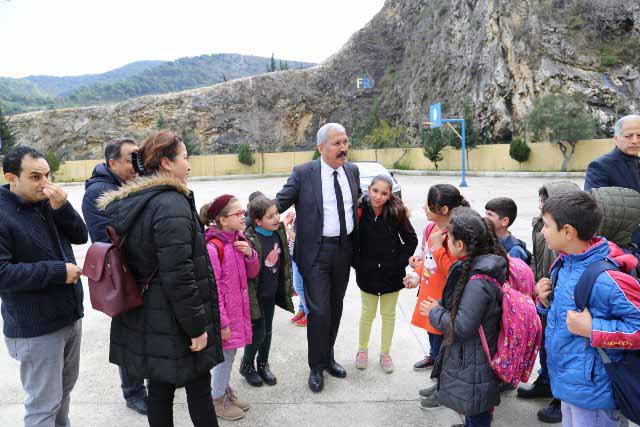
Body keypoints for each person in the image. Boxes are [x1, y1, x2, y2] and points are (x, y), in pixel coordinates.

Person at [99, 131, 223, 427]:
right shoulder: (170, 204)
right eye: (185, 158)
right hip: (174, 318)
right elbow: (179, 275)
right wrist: (196, 328)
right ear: (166, 163)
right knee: (199, 390)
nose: (188, 165)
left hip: (151, 315)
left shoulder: (137, 200)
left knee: (159, 389)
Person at [536, 191, 640, 427]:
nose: (542, 232)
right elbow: (565, 315)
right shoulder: (564, 263)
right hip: (568, 382)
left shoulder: (606, 279)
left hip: (595, 392)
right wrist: (544, 303)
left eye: (546, 225)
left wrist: (592, 329)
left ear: (568, 232)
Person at [0, 146, 88, 427]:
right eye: (36, 177)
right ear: (12, 178)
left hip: (68, 317)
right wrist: (58, 272)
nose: (45, 183)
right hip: (35, 327)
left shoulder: (46, 201)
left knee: (62, 396)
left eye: (48, 175)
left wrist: (63, 207)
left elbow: (80, 235)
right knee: (43, 407)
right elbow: (3, 274)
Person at [276, 123, 361, 393]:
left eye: (345, 142)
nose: (343, 148)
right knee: (320, 311)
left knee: (335, 307)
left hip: (344, 251)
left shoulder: (352, 171)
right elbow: (279, 202)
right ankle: (315, 366)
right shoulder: (304, 173)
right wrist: (247, 219)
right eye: (337, 143)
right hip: (315, 253)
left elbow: (358, 205)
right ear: (321, 148)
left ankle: (328, 358)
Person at [81, 137, 148, 415]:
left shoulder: (129, 183)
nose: (137, 163)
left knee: (146, 331)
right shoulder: (98, 192)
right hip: (121, 275)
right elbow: (108, 237)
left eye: (138, 157)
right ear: (112, 163)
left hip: (139, 270)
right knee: (129, 335)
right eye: (131, 158)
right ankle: (133, 392)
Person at [420, 207, 506, 426]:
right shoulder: (475, 268)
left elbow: (462, 326)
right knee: (472, 403)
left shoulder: (478, 282)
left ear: (459, 245)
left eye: (448, 238)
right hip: (472, 354)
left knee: (476, 405)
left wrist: (434, 312)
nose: (446, 242)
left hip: (475, 357)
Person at [518, 181, 580, 424]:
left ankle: (560, 400)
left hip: (560, 298)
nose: (541, 205)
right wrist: (536, 283)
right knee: (545, 345)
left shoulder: (571, 232)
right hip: (543, 294)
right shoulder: (540, 225)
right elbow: (536, 257)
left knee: (561, 349)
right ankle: (545, 382)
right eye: (541, 200)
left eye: (546, 201)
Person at [199, 194, 260, 421]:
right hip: (225, 316)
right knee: (224, 356)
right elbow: (213, 290)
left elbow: (253, 273)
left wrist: (250, 254)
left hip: (239, 312)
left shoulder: (238, 240)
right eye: (238, 213)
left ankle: (223, 389)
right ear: (223, 220)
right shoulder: (214, 248)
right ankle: (216, 399)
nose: (244, 216)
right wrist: (222, 322)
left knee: (231, 352)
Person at [354, 175, 417, 373]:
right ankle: (362, 350)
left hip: (392, 274)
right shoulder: (358, 211)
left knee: (388, 315)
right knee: (367, 314)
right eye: (375, 191)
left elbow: (411, 240)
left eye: (384, 193)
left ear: (390, 195)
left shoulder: (396, 212)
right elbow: (350, 240)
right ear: (368, 189)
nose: (378, 196)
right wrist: (358, 263)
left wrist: (398, 262)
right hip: (367, 274)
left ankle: (385, 353)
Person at [407, 184, 469, 377]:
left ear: (444, 210)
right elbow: (428, 259)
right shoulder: (433, 229)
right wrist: (416, 274)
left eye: (428, 204)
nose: (424, 207)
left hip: (443, 297)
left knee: (441, 333)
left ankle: (443, 368)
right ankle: (434, 356)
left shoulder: (454, 236)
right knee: (431, 330)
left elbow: (454, 272)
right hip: (429, 292)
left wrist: (438, 247)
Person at [241, 196, 295, 387]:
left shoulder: (278, 232)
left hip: (270, 294)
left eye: (276, 213)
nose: (276, 218)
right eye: (270, 216)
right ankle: (247, 365)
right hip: (255, 297)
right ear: (257, 221)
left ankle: (263, 364)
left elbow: (284, 262)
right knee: (258, 333)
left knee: (268, 331)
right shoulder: (249, 239)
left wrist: (288, 285)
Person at [584, 114, 640, 192]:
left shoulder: (637, 162)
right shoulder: (600, 166)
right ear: (616, 139)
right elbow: (594, 198)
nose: (635, 141)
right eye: (628, 136)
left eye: (639, 136)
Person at [485, 197, 530, 263]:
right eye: (486, 214)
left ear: (505, 221)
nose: (485, 218)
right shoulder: (487, 240)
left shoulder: (514, 251)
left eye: (490, 215)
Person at [285, 210, 308, 327]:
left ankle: (309, 313)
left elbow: (298, 238)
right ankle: (302, 310)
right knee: (300, 286)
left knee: (299, 287)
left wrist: (285, 227)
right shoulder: (296, 213)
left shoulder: (304, 214)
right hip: (293, 255)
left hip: (300, 256)